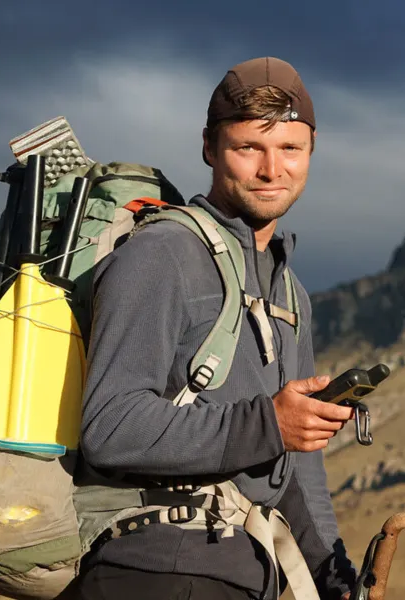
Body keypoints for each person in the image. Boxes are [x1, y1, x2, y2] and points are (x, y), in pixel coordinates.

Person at [66, 56, 358, 600]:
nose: (272, 169)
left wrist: (334, 578)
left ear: (312, 151)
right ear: (209, 148)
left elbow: (295, 471)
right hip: (151, 574)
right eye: (249, 147)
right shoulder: (161, 254)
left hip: (243, 578)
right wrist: (268, 424)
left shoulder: (290, 295)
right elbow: (110, 426)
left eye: (290, 148)